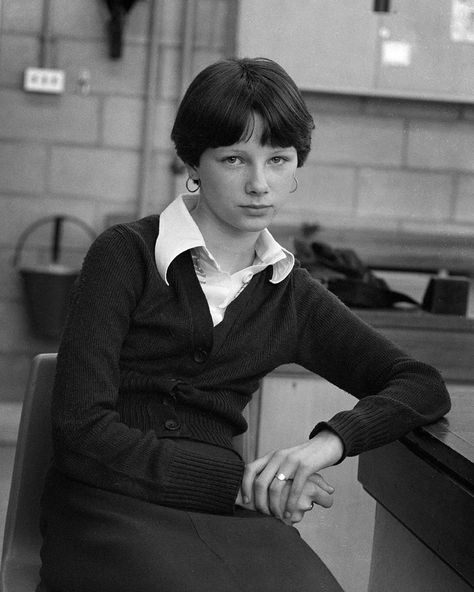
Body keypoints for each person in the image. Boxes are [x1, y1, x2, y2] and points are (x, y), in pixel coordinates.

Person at [38, 57, 451, 592]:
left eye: (278, 159)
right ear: (193, 161)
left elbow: (420, 384)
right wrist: (238, 483)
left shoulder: (291, 294)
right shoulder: (125, 255)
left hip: (228, 514)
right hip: (107, 504)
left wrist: (324, 445)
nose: (260, 184)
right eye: (235, 158)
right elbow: (80, 432)